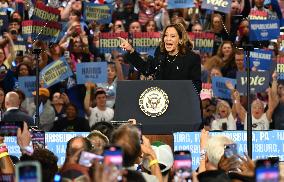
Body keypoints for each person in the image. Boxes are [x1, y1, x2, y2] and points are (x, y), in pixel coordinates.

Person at [120, 23, 201, 90]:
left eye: (172, 36)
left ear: (180, 40)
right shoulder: (160, 54)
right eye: (166, 35)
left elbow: (196, 86)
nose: (168, 39)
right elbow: (146, 69)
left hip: (182, 103)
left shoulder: (192, 58)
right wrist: (131, 50)